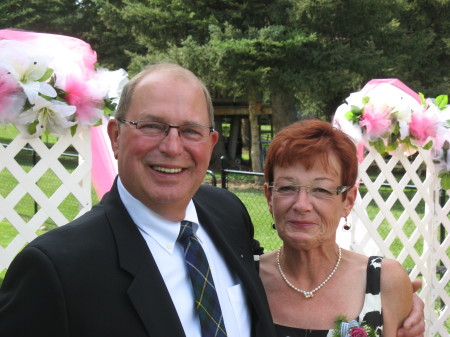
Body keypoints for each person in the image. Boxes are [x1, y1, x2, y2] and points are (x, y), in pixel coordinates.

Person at [0, 63, 424, 337]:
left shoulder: (225, 214)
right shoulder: (55, 269)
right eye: (151, 126)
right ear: (115, 136)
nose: (171, 147)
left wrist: (397, 300)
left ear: (211, 142)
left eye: (189, 130)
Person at [259, 119, 421, 337]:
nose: (301, 205)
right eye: (287, 188)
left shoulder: (383, 281)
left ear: (348, 201)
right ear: (269, 197)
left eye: (321, 190)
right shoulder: (243, 277)